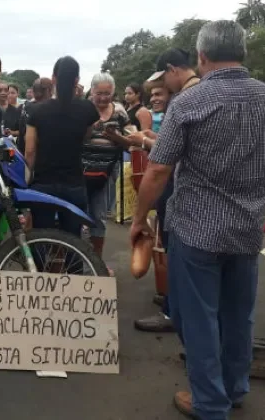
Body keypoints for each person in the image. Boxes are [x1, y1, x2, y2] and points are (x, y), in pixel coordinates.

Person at [130, 20, 265, 419]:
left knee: (199, 316)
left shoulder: (188, 103)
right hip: (246, 230)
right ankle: (235, 387)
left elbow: (157, 171)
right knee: (239, 313)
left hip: (195, 231)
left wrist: (139, 218)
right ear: (242, 53)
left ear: (202, 56)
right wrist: (259, 206)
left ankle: (208, 402)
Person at [132, 48, 200, 334]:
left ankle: (175, 314)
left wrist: (138, 217)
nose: (161, 90)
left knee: (178, 255)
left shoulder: (184, 101)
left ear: (173, 69)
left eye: (162, 81)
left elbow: (162, 165)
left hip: (182, 192)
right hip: (218, 203)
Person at [24, 56, 98, 269]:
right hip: (74, 182)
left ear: (53, 78)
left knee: (40, 237)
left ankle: (38, 280)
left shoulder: (37, 111)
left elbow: (30, 151)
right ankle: (72, 284)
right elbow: (87, 136)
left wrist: (27, 177)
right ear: (77, 80)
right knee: (73, 239)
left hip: (43, 184)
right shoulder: (87, 109)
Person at [82, 72, 135, 275]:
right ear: (91, 91)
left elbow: (131, 142)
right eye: (99, 93)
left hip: (107, 173)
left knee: (99, 217)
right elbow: (72, 139)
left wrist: (116, 136)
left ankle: (95, 264)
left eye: (107, 93)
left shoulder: (120, 112)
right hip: (82, 172)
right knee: (79, 217)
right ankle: (80, 260)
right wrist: (88, 129)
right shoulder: (84, 110)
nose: (103, 98)